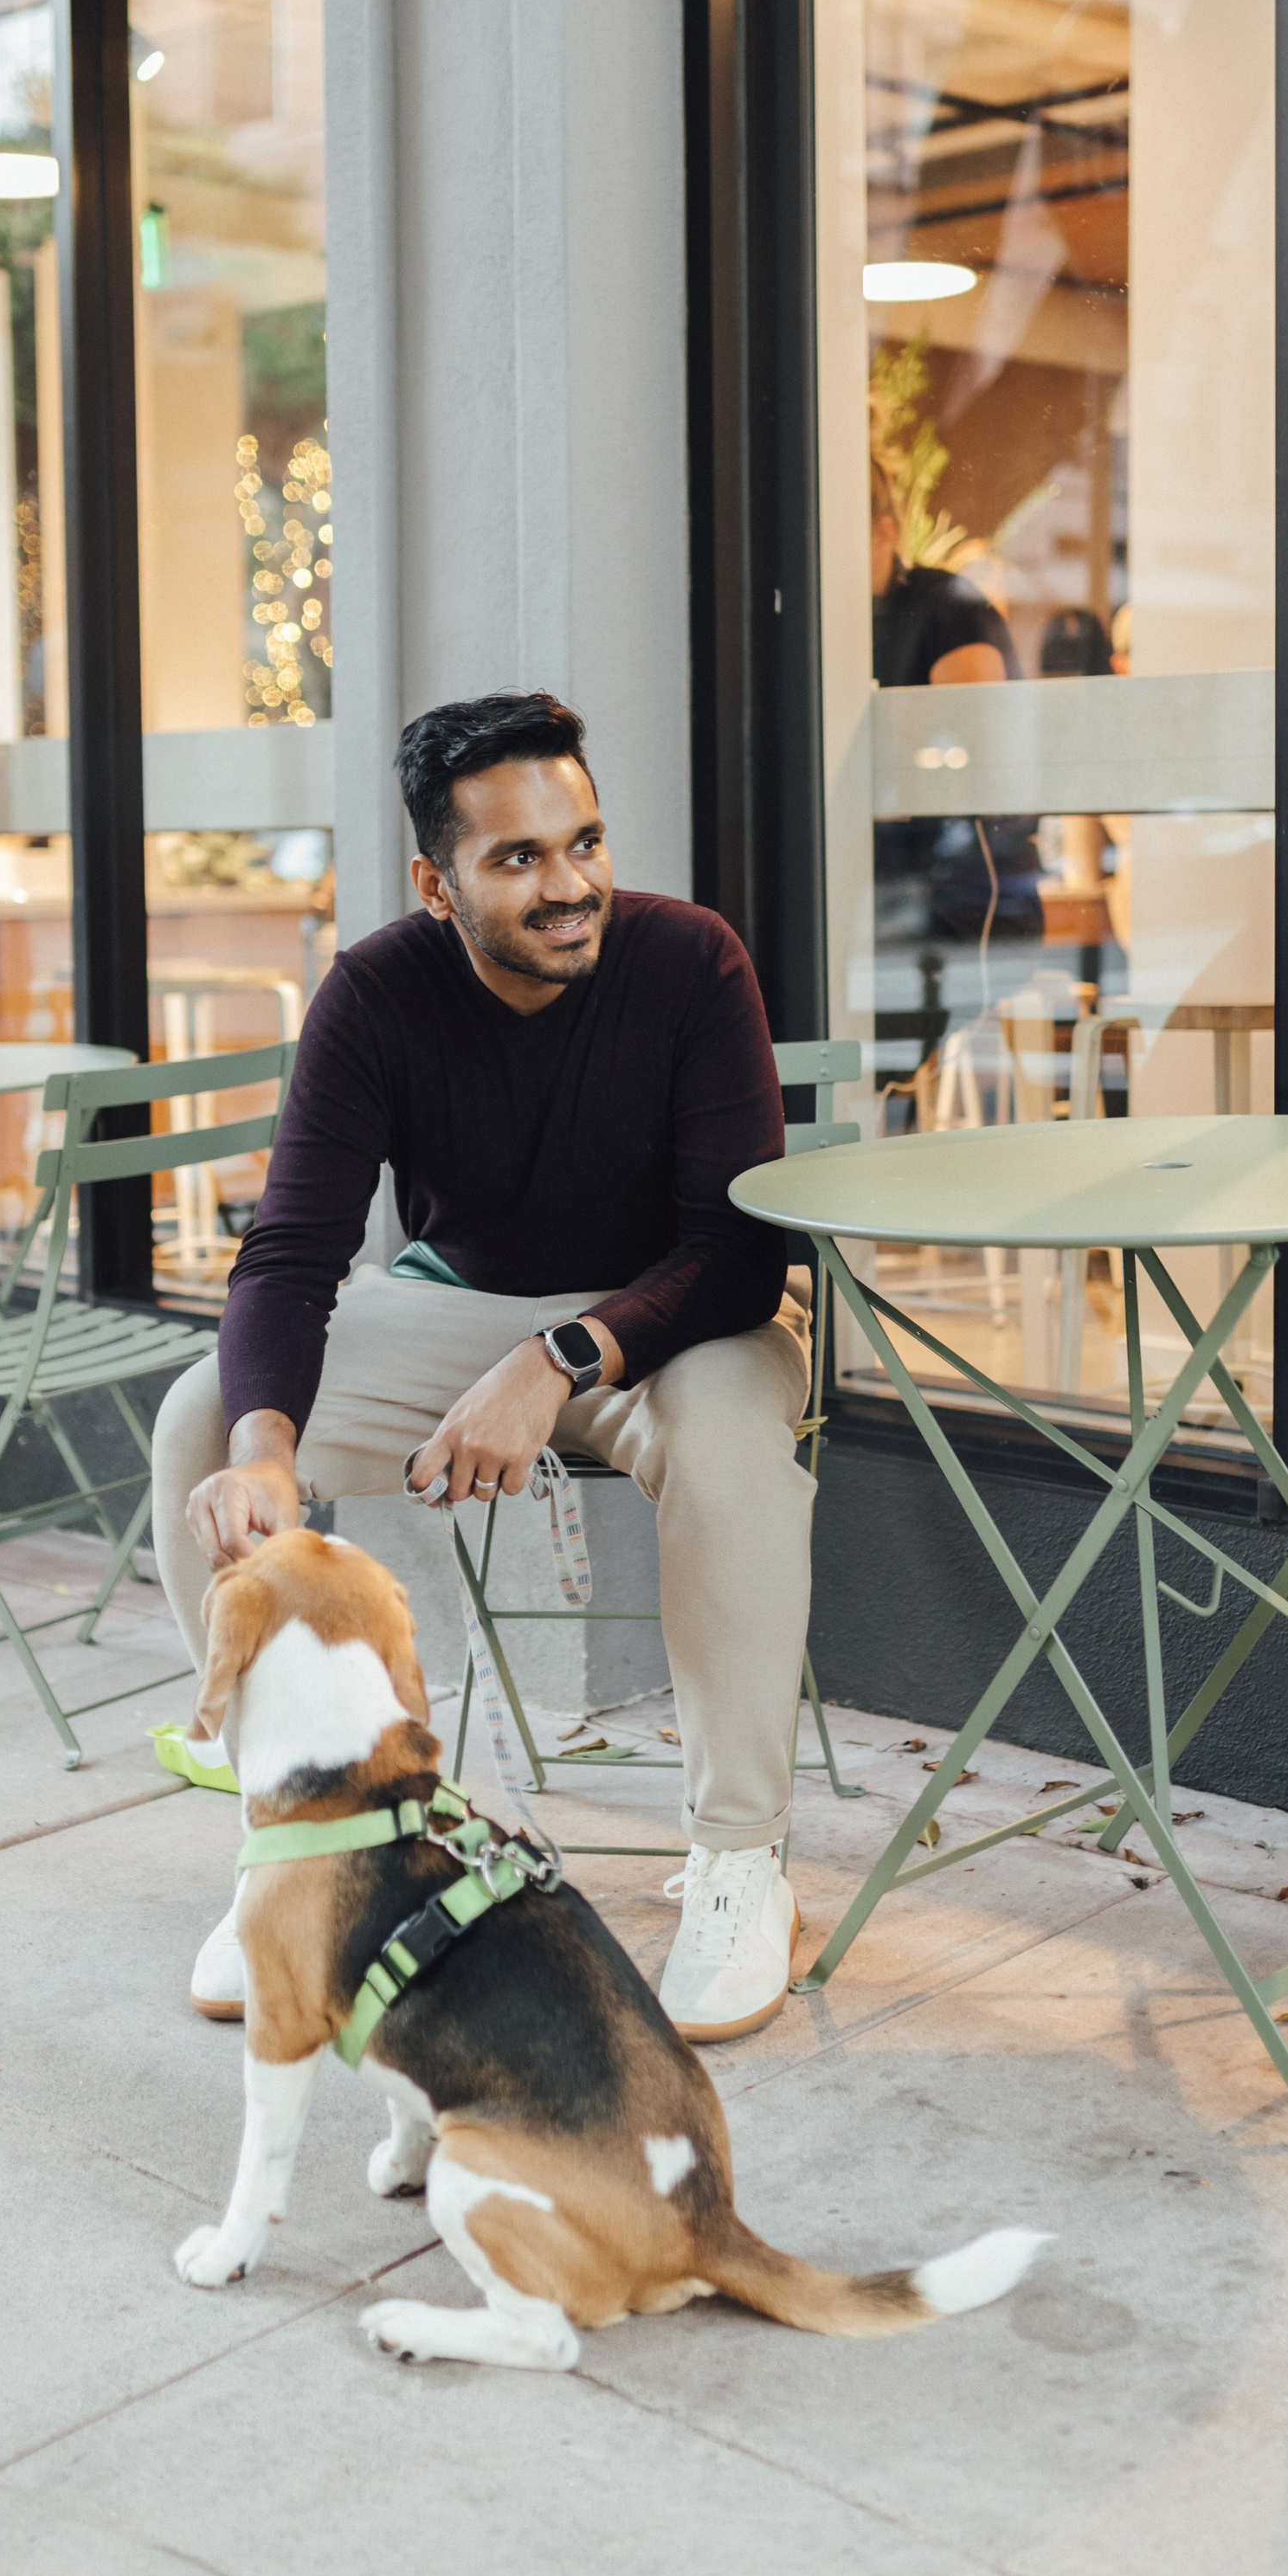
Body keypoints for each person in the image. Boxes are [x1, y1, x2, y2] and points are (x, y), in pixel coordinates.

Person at [151, 691, 818, 2040]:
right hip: (465, 1319)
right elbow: (289, 1254)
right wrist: (266, 1447)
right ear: (435, 880)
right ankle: (304, 1841)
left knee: (738, 1433)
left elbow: (742, 1254)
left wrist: (558, 1358)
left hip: (673, 1326)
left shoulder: (692, 962)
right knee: (207, 1416)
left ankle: (741, 1864)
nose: (569, 885)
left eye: (583, 842)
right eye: (518, 859)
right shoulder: (378, 993)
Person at [869, 465, 1042, 946]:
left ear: (886, 531)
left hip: (958, 892)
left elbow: (981, 750)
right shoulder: (827, 621)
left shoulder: (945, 607)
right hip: (882, 887)